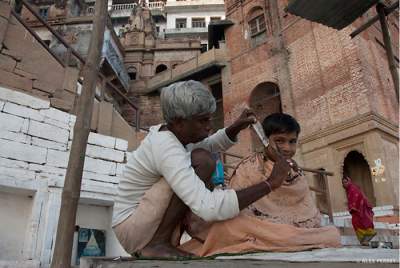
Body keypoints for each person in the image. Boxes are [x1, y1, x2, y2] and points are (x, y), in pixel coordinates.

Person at [112, 81, 292, 258]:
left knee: (202, 156)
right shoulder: (165, 146)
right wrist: (270, 183)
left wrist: (235, 127)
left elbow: (208, 144)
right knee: (203, 161)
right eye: (202, 121)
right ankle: (158, 243)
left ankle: (165, 240)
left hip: (140, 222)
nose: (209, 126)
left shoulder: (175, 136)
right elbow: (208, 207)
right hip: (132, 228)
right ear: (179, 122)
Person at [179, 113, 341, 256]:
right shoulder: (248, 168)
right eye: (279, 141)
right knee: (231, 227)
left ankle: (283, 237)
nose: (287, 148)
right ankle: (284, 238)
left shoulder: (296, 173)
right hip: (254, 225)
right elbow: (234, 208)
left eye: (292, 141)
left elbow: (305, 212)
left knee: (331, 234)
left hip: (286, 228)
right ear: (264, 140)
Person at [342, 176, 376, 246]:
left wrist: (353, 206)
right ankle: (363, 240)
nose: (344, 184)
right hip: (357, 210)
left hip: (360, 209)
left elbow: (357, 196)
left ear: (349, 181)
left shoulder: (352, 188)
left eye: (346, 182)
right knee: (356, 222)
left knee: (361, 222)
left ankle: (366, 238)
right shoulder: (349, 189)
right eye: (343, 182)